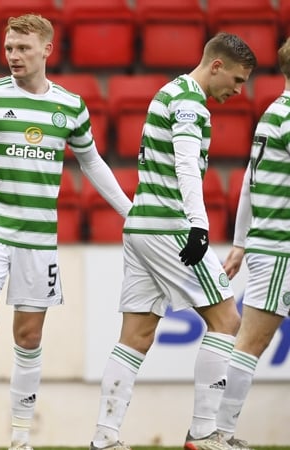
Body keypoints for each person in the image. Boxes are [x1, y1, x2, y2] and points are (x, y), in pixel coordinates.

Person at [0, 14, 133, 450]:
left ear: (46, 50)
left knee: (29, 336)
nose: (14, 56)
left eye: (23, 48)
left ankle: (20, 437)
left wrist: (128, 211)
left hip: (38, 237)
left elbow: (91, 161)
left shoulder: (70, 106)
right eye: (8, 48)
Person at [88, 33, 257, 450]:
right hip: (170, 228)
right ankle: (203, 434)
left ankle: (104, 438)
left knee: (136, 335)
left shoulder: (169, 92)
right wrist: (199, 225)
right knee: (227, 321)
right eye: (236, 79)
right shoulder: (188, 102)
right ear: (216, 65)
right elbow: (184, 163)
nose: (238, 91)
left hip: (141, 228)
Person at [215, 37, 290, 450]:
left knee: (249, 341)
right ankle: (215, 432)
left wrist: (242, 240)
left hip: (268, 242)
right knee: (250, 342)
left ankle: (213, 431)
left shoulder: (272, 113)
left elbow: (248, 180)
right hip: (281, 247)